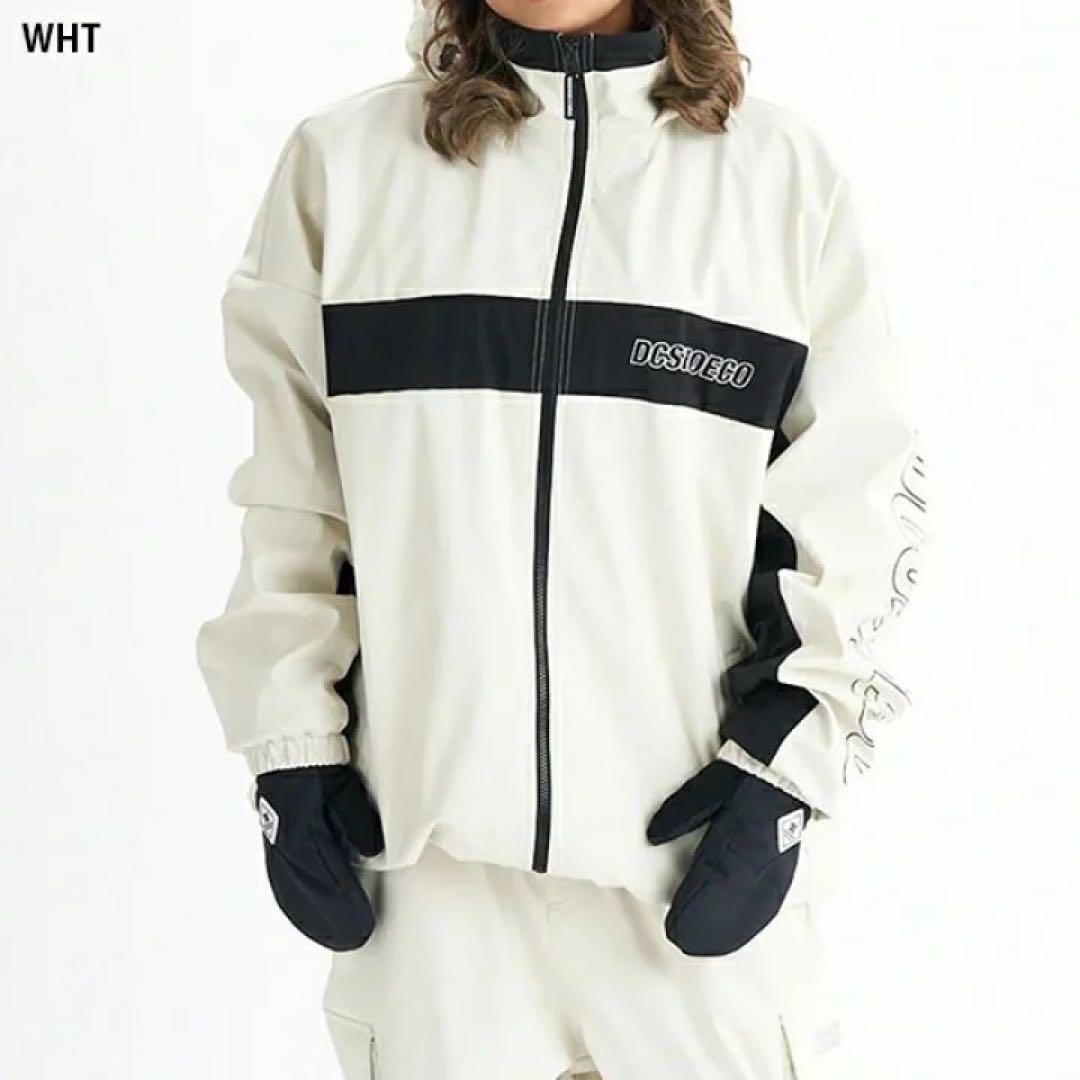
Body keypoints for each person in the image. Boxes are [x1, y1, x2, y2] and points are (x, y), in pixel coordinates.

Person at [196, 1, 929, 1077]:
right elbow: (295, 500)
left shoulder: (779, 184)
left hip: (685, 870)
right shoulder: (345, 169)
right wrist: (288, 747)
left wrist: (784, 770)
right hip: (431, 897)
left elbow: (853, 516)